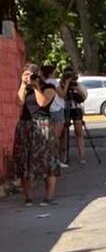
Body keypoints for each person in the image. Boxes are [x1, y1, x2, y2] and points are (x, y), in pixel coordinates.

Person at [14, 64, 61, 206]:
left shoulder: (49, 88)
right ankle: (28, 198)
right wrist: (23, 85)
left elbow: (42, 103)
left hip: (42, 125)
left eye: (31, 75)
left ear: (38, 75)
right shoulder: (25, 89)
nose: (29, 78)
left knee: (48, 161)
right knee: (25, 161)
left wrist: (36, 87)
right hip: (25, 126)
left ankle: (49, 197)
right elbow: (18, 102)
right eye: (26, 74)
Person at [59, 67, 88, 165]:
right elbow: (63, 96)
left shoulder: (77, 84)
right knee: (64, 133)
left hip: (76, 108)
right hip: (64, 108)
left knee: (79, 132)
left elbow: (83, 97)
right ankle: (64, 155)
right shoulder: (61, 84)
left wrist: (76, 88)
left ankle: (82, 155)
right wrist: (66, 84)